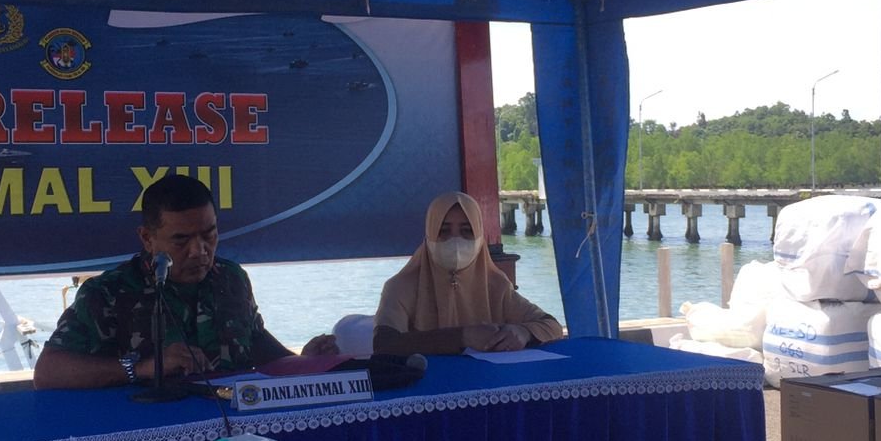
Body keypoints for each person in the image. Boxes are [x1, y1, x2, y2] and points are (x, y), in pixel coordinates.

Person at [34, 173, 335, 390]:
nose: (199, 251)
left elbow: (254, 342)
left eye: (209, 235)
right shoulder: (108, 293)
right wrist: (139, 369)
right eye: (181, 240)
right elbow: (48, 373)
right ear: (147, 238)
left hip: (236, 439)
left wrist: (302, 363)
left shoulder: (231, 278)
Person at [373, 190, 563, 354]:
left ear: (479, 236)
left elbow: (551, 325)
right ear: (429, 233)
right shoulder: (401, 286)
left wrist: (524, 333)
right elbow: (384, 344)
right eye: (443, 231)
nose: (455, 240)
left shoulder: (496, 285)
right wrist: (462, 337)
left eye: (467, 231)